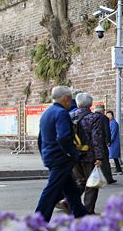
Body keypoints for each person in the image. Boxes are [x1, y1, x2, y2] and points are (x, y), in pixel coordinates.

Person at [34, 86, 88, 222]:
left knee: (71, 189)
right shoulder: (61, 113)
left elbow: (40, 139)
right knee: (52, 191)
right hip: (60, 158)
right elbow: (63, 137)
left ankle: (81, 215)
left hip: (51, 156)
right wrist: (74, 153)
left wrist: (44, 155)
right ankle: (38, 221)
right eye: (70, 99)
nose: (70, 102)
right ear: (65, 98)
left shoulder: (47, 113)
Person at [71, 93, 108, 214]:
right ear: (91, 104)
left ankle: (69, 202)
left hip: (74, 155)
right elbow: (96, 138)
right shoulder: (94, 118)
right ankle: (88, 210)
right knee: (92, 183)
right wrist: (99, 157)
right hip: (89, 155)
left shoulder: (71, 116)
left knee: (80, 181)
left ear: (77, 103)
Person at [93, 105, 116, 184]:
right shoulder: (104, 118)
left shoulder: (91, 117)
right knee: (105, 161)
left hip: (92, 142)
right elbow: (107, 131)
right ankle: (108, 178)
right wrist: (108, 141)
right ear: (102, 111)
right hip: (101, 142)